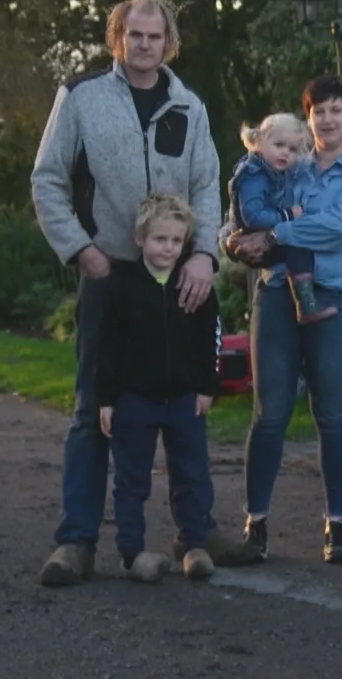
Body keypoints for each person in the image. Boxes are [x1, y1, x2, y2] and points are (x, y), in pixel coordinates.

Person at [29, 0, 260, 587]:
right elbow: (47, 179)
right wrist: (81, 250)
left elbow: (208, 184)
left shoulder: (190, 105)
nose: (145, 46)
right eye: (135, 35)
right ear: (118, 38)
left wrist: (205, 254)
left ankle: (196, 531)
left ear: (169, 42)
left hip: (180, 281)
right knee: (93, 412)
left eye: (155, 37)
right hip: (112, 278)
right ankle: (76, 542)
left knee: (186, 413)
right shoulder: (81, 98)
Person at [223, 74, 342, 565]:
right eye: (319, 111)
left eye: (337, 110)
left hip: (337, 299)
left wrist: (273, 238)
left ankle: (337, 526)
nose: (327, 120)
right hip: (276, 295)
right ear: (309, 117)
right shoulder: (287, 161)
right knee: (268, 412)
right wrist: (232, 241)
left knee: (332, 412)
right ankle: (255, 525)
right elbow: (243, 214)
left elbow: (337, 228)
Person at [96, 193, 225, 584]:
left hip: (185, 398)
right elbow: (108, 346)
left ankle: (193, 544)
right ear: (140, 239)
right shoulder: (121, 287)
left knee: (192, 474)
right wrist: (107, 399)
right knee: (132, 479)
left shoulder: (196, 287)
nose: (168, 248)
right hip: (134, 399)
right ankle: (132, 553)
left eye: (175, 241)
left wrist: (207, 387)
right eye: (159, 239)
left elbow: (210, 340)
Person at [227, 112, 337, 323]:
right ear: (259, 142)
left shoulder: (274, 171)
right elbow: (252, 216)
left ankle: (305, 300)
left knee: (298, 246)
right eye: (279, 145)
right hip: (253, 240)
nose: (285, 153)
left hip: (263, 236)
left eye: (292, 149)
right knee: (297, 246)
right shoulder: (253, 174)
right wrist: (286, 215)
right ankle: (306, 304)